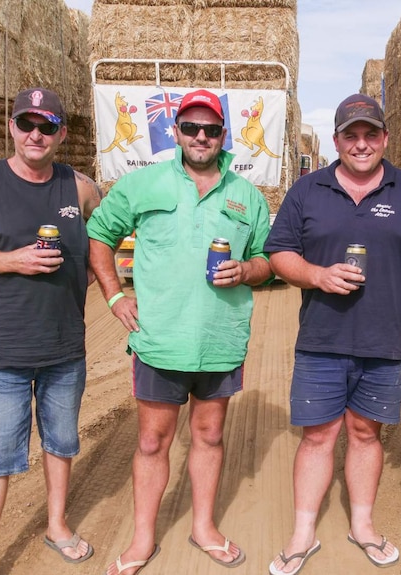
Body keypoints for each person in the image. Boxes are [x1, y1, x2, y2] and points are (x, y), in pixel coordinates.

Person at [87, 89, 272, 575]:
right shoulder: (142, 184)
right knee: (152, 441)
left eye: (211, 129)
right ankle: (143, 538)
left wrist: (248, 271)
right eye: (190, 127)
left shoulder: (246, 195)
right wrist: (113, 295)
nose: (201, 137)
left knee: (209, 436)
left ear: (223, 135)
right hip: (160, 339)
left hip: (220, 340)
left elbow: (269, 260)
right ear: (175, 133)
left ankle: (203, 527)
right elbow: (99, 233)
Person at [265, 93, 401, 575]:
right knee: (318, 436)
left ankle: (361, 525)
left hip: (385, 344)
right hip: (321, 341)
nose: (361, 144)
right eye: (351, 135)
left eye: (371, 134)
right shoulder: (308, 190)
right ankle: (303, 533)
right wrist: (318, 276)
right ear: (336, 140)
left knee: (367, 434)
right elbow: (280, 252)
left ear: (385, 138)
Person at [0, 87, 103, 575]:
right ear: (11, 127)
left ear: (62, 134)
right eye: (27, 123)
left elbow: (107, 234)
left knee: (61, 442)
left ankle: (57, 525)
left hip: (65, 346)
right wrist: (12, 260)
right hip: (3, 350)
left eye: (47, 126)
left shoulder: (80, 187)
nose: (36, 134)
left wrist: (93, 274)